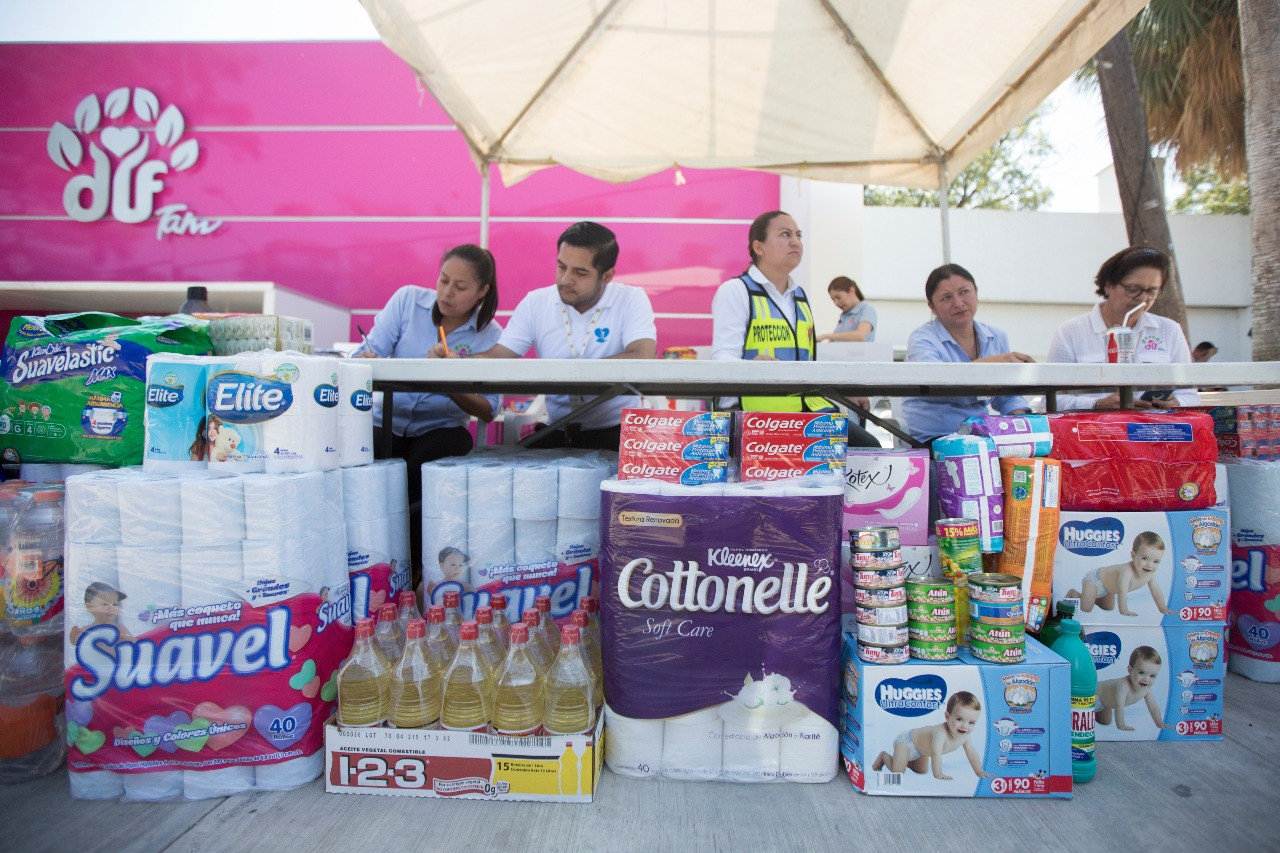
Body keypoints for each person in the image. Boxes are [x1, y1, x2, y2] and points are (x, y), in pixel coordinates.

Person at [430, 221, 657, 450]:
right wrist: (456, 362)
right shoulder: (536, 302)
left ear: (607, 276)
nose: (566, 279)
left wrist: (571, 372)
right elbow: (500, 355)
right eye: (561, 266)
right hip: (556, 430)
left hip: (616, 433)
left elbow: (643, 356)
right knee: (514, 474)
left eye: (580, 272)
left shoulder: (631, 299)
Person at [356, 244, 503, 573]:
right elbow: (368, 352)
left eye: (460, 287)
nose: (447, 293)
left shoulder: (492, 337)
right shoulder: (408, 301)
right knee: (366, 451)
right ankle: (372, 562)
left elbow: (489, 409)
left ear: (482, 292)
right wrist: (365, 360)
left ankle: (415, 569)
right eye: (443, 281)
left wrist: (449, 381)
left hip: (441, 427)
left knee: (429, 464)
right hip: (386, 420)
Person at [710, 211, 880, 447]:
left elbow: (807, 364)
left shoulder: (799, 296)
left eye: (798, 235)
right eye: (785, 234)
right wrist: (752, 369)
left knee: (869, 448)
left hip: (806, 413)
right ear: (759, 248)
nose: (795, 242)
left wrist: (841, 392)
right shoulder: (736, 291)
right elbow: (721, 359)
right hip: (753, 418)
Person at [1046, 246, 1197, 410]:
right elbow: (1052, 401)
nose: (1143, 298)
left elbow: (1190, 396)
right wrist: (1097, 404)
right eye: (1132, 289)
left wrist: (1176, 402)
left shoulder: (1170, 330)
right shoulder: (1071, 332)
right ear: (1108, 285)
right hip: (1094, 431)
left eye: (1152, 291)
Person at [900, 264, 1033, 445]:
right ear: (932, 306)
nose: (958, 303)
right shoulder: (922, 339)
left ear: (976, 292)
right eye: (946, 298)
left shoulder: (996, 336)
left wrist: (1025, 426)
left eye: (964, 292)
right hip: (932, 440)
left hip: (980, 438)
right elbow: (940, 380)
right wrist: (996, 363)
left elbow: (1007, 396)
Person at [871, 691, 993, 781]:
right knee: (898, 773)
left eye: (971, 722)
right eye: (960, 719)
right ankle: (885, 757)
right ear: (947, 716)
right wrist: (938, 773)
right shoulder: (941, 732)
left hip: (921, 751)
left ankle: (902, 760)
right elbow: (935, 753)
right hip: (907, 743)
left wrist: (979, 771)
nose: (965, 726)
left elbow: (971, 752)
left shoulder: (965, 736)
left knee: (921, 771)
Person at [1065, 530, 1174, 618]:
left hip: (1109, 589)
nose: (1150, 565)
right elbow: (1122, 591)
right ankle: (1074, 593)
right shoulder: (1127, 571)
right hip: (1095, 580)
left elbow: (1156, 592)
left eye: (1156, 561)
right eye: (1145, 558)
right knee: (1086, 608)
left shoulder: (1150, 575)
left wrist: (1163, 609)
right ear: (1133, 555)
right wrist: (1124, 610)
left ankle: (1092, 598)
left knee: (1108, 608)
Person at [1096, 646, 1174, 731]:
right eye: (1141, 673)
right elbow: (1119, 705)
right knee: (1084, 718)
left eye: (1152, 676)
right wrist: (1121, 725)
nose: (1146, 679)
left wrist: (1160, 723)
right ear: (1130, 670)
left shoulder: (1147, 689)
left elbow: (1153, 706)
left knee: (1105, 723)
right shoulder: (1124, 685)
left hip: (1107, 704)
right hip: (1094, 695)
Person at [69, 581, 134, 644]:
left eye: (115, 604)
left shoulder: (120, 630)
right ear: (89, 607)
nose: (111, 608)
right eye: (105, 604)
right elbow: (79, 646)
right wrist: (75, 638)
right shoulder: (86, 630)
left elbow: (136, 645)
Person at [817, 276, 877, 342]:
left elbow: (861, 336)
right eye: (833, 299)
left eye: (839, 297)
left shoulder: (867, 310)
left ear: (852, 291)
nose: (836, 303)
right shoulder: (844, 315)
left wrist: (826, 336)